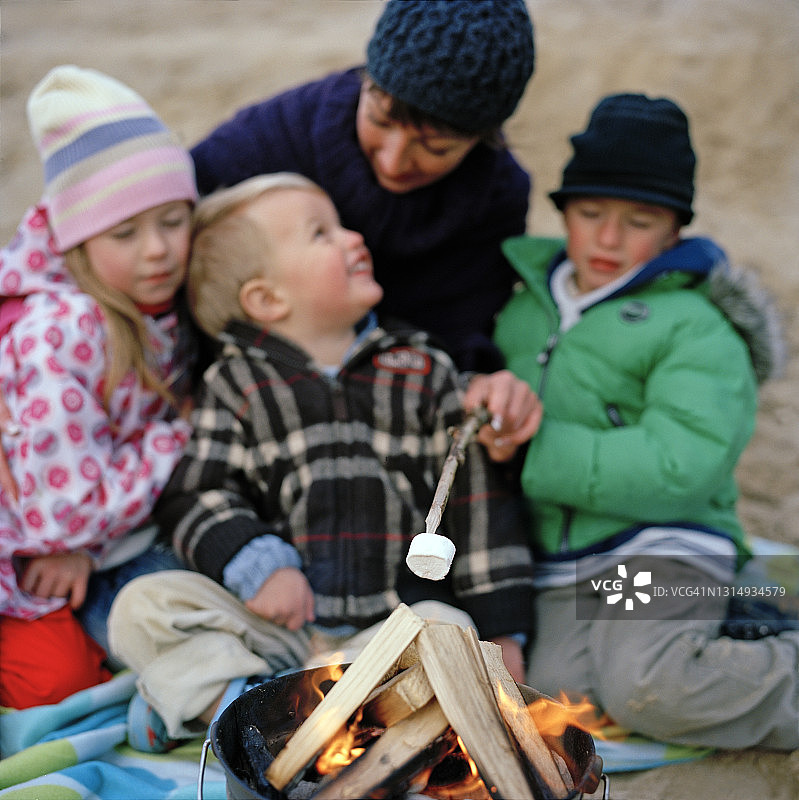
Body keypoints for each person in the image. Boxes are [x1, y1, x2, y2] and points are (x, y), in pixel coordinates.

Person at [108, 173, 536, 752]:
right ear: (267, 299)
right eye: (321, 234)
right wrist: (253, 560)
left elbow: (475, 499)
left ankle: (325, 736)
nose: (353, 237)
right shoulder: (238, 382)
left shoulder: (420, 370)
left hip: (387, 631)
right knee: (143, 607)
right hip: (279, 637)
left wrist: (503, 626)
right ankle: (243, 715)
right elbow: (194, 493)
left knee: (448, 629)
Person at [492, 93, 799, 750]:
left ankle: (780, 664)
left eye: (638, 220)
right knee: (560, 697)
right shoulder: (519, 313)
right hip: (576, 567)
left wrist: (534, 450)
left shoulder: (693, 326)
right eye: (590, 213)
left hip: (664, 547)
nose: (607, 237)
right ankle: (741, 619)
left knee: (649, 684)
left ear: (673, 232)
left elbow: (680, 461)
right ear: (563, 214)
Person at [189, 0, 540, 456]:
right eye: (379, 120)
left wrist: (481, 390)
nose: (394, 160)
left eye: (435, 147)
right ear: (367, 80)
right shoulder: (271, 138)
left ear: (482, 139)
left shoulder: (495, 195)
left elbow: (460, 333)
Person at [0, 65, 198, 709]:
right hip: (31, 546)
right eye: (125, 233)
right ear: (76, 239)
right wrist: (180, 431)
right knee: (59, 683)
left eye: (174, 221)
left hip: (77, 532)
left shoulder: (145, 303)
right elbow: (66, 511)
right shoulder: (66, 330)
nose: (158, 252)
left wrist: (82, 542)